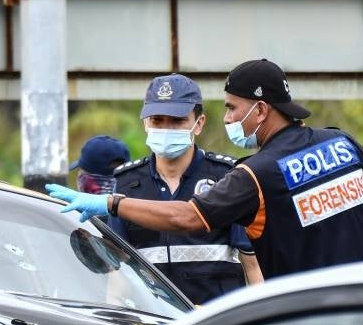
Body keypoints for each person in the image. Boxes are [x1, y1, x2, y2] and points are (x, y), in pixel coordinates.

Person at [46, 59, 363, 279]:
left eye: (233, 108)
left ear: (261, 110)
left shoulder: (254, 175)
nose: (229, 118)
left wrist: (111, 203)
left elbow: (187, 218)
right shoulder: (342, 143)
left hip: (313, 318)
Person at [108, 74, 262, 304]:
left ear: (198, 124)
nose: (166, 128)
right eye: (157, 120)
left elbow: (253, 266)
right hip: (154, 323)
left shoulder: (229, 178)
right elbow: (116, 274)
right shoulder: (126, 184)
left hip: (218, 322)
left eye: (177, 120)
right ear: (145, 124)